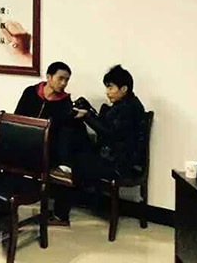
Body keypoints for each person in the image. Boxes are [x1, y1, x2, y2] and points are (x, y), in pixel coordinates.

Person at [53, 65, 147, 224]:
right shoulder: (127, 104)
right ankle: (66, 177)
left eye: (110, 87)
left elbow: (109, 133)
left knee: (72, 159)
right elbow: (109, 128)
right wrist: (88, 112)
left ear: (124, 89)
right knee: (71, 139)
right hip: (115, 157)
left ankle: (62, 212)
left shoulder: (128, 109)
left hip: (120, 164)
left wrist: (87, 116)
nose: (107, 92)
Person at [15, 61, 90, 169]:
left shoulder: (65, 102)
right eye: (60, 78)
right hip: (25, 139)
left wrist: (76, 115)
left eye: (66, 80)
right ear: (49, 77)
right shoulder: (30, 92)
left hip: (48, 146)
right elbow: (17, 117)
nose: (63, 83)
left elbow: (61, 130)